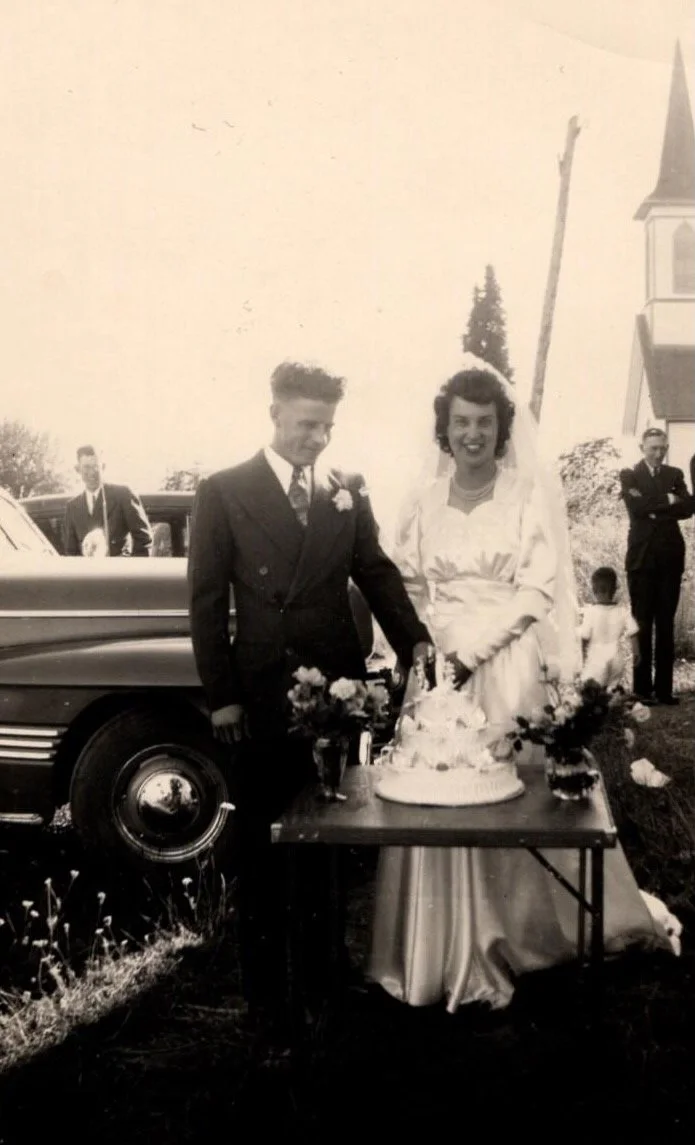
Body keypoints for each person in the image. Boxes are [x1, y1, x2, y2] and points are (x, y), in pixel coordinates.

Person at [368, 357, 679, 1014]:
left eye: (483, 422)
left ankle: (511, 933)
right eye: (460, 423)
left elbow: (538, 586)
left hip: (503, 666)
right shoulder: (422, 499)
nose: (471, 434)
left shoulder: (522, 496)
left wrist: (477, 647)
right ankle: (432, 948)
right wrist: (433, 642)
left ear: (501, 428)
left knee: (505, 796)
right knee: (434, 790)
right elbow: (405, 583)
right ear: (443, 429)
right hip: (435, 669)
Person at [187, 361, 433, 1034]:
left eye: (326, 426)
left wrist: (415, 641)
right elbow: (206, 604)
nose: (316, 439)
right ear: (273, 414)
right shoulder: (223, 489)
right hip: (262, 699)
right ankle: (268, 1003)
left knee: (331, 846)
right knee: (266, 856)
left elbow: (376, 572)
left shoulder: (345, 489)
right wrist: (223, 698)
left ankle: (327, 986)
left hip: (336, 696)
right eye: (304, 424)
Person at [619, 428, 692, 706]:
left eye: (662, 448)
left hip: (670, 558)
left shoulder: (674, 475)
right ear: (642, 447)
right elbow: (636, 508)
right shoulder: (629, 475)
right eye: (653, 448)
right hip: (640, 560)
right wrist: (668, 501)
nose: (658, 453)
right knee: (641, 623)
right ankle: (642, 690)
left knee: (665, 623)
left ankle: (664, 690)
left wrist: (655, 507)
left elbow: (688, 507)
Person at [64, 445, 153, 557]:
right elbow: (71, 552)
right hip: (87, 573)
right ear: (77, 469)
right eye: (86, 467)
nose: (92, 472)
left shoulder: (122, 494)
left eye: (96, 466)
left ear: (103, 467)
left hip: (119, 572)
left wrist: (132, 570)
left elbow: (144, 539)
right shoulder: (72, 507)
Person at [579, 565, 639, 689]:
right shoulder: (623, 611)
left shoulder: (591, 612)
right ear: (614, 590)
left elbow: (584, 636)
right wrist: (636, 652)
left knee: (591, 692)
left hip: (597, 659)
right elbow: (633, 632)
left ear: (594, 589)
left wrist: (580, 656)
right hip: (617, 659)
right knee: (610, 692)